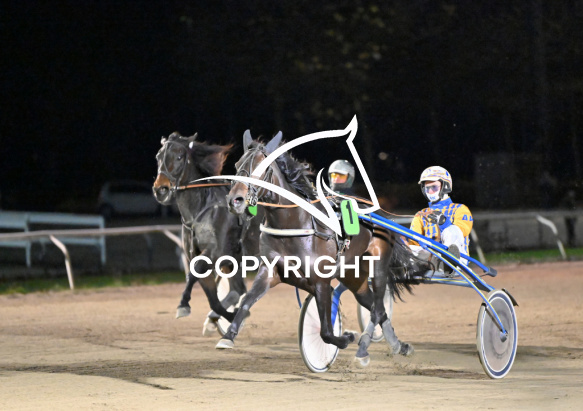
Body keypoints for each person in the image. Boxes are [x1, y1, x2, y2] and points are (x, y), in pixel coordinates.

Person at [408, 166, 473, 273]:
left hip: (458, 259)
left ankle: (449, 262)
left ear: (445, 186)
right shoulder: (420, 214)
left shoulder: (460, 209)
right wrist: (419, 241)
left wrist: (444, 223)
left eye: (434, 187)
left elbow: (461, 232)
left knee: (452, 230)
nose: (430, 191)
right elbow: (413, 243)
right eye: (427, 188)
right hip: (431, 258)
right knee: (404, 246)